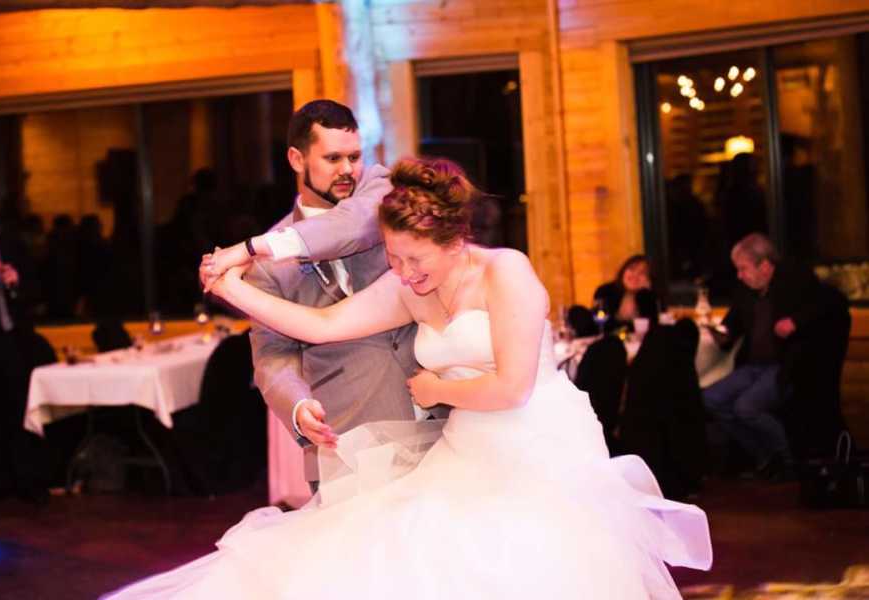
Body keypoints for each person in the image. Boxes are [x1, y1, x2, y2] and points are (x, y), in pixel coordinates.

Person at [106, 157, 711, 599]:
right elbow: (320, 325)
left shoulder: (507, 274)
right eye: (393, 260)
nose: (403, 273)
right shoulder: (409, 288)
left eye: (414, 260)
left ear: (455, 241)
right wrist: (233, 286)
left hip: (539, 450)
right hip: (467, 448)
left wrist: (436, 388)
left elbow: (514, 387)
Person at [206, 99, 437, 487]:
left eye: (354, 156)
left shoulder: (380, 194)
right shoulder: (266, 267)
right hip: (350, 435)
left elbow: (348, 228)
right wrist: (297, 408)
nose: (348, 170)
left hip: (437, 416)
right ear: (297, 159)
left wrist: (249, 247)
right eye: (332, 158)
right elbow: (273, 358)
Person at [703, 233, 823, 480]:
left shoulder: (795, 285)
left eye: (743, 269)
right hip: (752, 367)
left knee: (745, 407)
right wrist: (720, 335)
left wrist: (795, 322)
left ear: (765, 266)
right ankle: (764, 457)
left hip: (783, 367)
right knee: (710, 399)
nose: (740, 275)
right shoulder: (746, 292)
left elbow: (829, 304)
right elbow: (731, 327)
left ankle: (788, 461)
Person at [0, 187, 48, 504]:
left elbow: (36, 291)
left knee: (19, 414)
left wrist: (17, 283)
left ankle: (26, 482)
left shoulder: (11, 245)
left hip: (14, 344)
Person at [592, 254, 659, 332]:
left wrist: (646, 294)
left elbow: (652, 328)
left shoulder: (648, 297)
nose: (635, 275)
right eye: (632, 269)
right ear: (623, 271)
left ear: (648, 279)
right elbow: (600, 326)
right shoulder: (605, 291)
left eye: (642, 273)